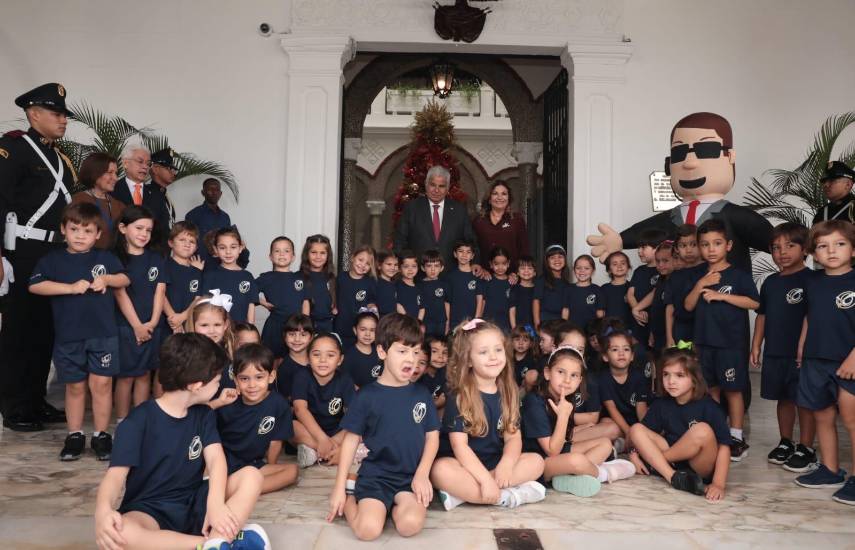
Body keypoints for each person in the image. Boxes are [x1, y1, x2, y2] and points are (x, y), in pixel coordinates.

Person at [93, 333, 269, 550]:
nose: (219, 386)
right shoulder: (137, 421)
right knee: (122, 533)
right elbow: (114, 477)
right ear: (196, 385)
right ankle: (214, 544)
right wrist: (103, 512)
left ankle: (217, 540)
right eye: (216, 382)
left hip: (195, 501)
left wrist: (215, 505)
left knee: (252, 476)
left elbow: (216, 461)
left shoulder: (203, 414)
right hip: (150, 511)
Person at [588, 112, 773, 274]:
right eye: (679, 152)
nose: (689, 163)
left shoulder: (736, 216)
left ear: (730, 157)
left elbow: (776, 242)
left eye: (705, 150)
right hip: (680, 299)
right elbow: (650, 231)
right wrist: (621, 240)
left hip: (725, 303)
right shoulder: (673, 216)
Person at [0, 82, 77, 431]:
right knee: (18, 331)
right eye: (56, 114)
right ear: (34, 114)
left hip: (53, 252)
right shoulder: (12, 148)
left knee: (44, 330)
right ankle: (15, 406)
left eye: (64, 115)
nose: (63, 121)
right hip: (21, 251)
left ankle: (35, 399)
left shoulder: (59, 157)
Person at [29, 203, 130, 460]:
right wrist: (70, 287)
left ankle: (100, 435)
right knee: (74, 387)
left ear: (98, 234)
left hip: (103, 334)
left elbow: (124, 279)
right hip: (69, 336)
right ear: (64, 230)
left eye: (87, 231)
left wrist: (106, 279)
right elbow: (36, 286)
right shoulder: (52, 260)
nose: (80, 235)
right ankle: (75, 436)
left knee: (102, 384)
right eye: (74, 229)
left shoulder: (105, 258)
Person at [328, 313, 440, 541]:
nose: (411, 359)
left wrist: (422, 474)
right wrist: (339, 488)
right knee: (368, 531)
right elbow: (350, 440)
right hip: (376, 477)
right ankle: (352, 500)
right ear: (382, 352)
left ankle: (389, 507)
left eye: (415, 352)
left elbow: (432, 437)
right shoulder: (367, 396)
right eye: (402, 351)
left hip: (409, 477)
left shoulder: (422, 394)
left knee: (409, 526)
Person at [430, 319, 546, 511]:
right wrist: (484, 479)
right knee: (439, 470)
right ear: (468, 360)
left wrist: (506, 465)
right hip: (463, 464)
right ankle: (506, 496)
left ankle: (468, 495)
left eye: (498, 350)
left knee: (537, 462)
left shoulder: (510, 392)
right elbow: (460, 447)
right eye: (483, 352)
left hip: (496, 461)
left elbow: (513, 439)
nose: (493, 357)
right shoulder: (459, 396)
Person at [685, 219, 759, 462]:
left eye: (717, 243)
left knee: (733, 390)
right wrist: (701, 285)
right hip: (704, 343)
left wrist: (722, 296)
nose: (711, 249)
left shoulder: (738, 275)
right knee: (711, 389)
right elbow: (687, 306)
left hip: (730, 344)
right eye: (705, 244)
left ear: (728, 245)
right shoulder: (697, 275)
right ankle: (718, 432)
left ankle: (736, 436)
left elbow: (755, 303)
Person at [793, 220, 855, 505]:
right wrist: (803, 346)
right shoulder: (812, 281)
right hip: (816, 360)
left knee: (851, 419)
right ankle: (830, 469)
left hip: (849, 361)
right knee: (822, 415)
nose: (831, 251)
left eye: (839, 244)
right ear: (814, 253)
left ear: (853, 249)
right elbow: (810, 316)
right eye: (823, 246)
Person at [522, 345, 635, 497]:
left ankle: (567, 477)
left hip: (558, 453)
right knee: (576, 460)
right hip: (538, 463)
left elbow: (565, 440)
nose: (567, 380)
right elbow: (552, 451)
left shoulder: (566, 399)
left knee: (605, 444)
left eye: (574, 375)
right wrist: (563, 416)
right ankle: (603, 473)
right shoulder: (534, 401)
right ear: (548, 373)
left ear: (580, 380)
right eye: (561, 372)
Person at [750, 223, 816, 470]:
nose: (782, 252)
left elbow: (815, 316)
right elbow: (762, 316)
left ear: (805, 248)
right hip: (775, 351)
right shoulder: (770, 282)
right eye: (776, 247)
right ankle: (786, 441)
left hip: (803, 354)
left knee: (804, 400)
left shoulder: (813, 279)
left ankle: (807, 447)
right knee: (783, 399)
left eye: (790, 245)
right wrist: (756, 345)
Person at [628, 348, 731, 501]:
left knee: (702, 430)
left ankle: (656, 462)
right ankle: (673, 478)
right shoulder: (661, 405)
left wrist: (718, 484)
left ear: (694, 379)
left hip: (699, 465)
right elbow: (641, 435)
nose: (671, 381)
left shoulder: (710, 407)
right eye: (665, 374)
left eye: (679, 375)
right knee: (635, 429)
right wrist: (633, 454)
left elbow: (724, 447)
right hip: (674, 464)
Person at [209, 343, 299, 495]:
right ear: (236, 380)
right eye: (244, 378)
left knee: (292, 471)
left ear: (271, 377)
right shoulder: (227, 401)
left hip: (252, 464)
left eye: (259, 377)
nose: (252, 385)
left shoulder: (279, 404)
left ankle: (240, 490)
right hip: (223, 464)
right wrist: (218, 403)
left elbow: (276, 441)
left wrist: (270, 466)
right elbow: (196, 418)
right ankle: (227, 489)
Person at [113, 207, 168, 423]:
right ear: (123, 228)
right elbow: (120, 293)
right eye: (138, 228)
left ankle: (140, 421)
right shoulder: (115, 258)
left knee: (145, 374)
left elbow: (160, 291)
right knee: (126, 377)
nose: (144, 234)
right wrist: (137, 326)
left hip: (153, 325)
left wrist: (153, 323)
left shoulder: (156, 258)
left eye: (148, 230)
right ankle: (122, 422)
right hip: (126, 326)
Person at [394, 165, 483, 274]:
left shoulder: (459, 210)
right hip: (419, 275)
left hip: (451, 275)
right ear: (426, 185)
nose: (436, 190)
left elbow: (471, 240)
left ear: (447, 188)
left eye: (441, 186)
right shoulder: (412, 208)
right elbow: (400, 241)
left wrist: (475, 262)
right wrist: (405, 266)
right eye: (433, 185)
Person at [291, 333, 357, 468]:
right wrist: (321, 439)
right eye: (316, 354)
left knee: (357, 426)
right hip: (309, 431)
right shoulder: (301, 376)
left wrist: (334, 440)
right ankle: (328, 451)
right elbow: (299, 409)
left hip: (336, 432)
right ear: (308, 358)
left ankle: (317, 452)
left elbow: (354, 414)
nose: (323, 360)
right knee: (290, 425)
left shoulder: (345, 379)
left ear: (340, 360)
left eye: (330, 355)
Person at [111, 144, 171, 252]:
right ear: (125, 163)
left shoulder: (156, 195)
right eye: (140, 161)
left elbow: (164, 231)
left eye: (148, 164)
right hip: (120, 255)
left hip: (151, 256)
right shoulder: (112, 190)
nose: (145, 167)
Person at [597, 330, 650, 450]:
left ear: (632, 356)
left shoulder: (639, 377)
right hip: (616, 422)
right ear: (605, 357)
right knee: (605, 422)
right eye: (615, 350)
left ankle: (624, 444)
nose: (621, 353)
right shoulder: (603, 378)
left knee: (648, 423)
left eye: (626, 349)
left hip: (635, 422)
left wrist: (643, 431)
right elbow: (612, 409)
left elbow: (641, 408)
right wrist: (629, 433)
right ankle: (624, 443)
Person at [256, 236, 304, 356]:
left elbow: (305, 302)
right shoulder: (266, 277)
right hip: (274, 326)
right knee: (271, 359)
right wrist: (263, 302)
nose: (282, 254)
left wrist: (304, 323)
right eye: (277, 251)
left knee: (293, 358)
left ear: (293, 257)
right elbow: (247, 292)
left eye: (286, 251)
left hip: (295, 326)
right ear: (270, 256)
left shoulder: (299, 278)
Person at [202, 227, 257, 324]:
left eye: (233, 247)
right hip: (217, 332)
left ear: (240, 248)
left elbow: (250, 305)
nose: (228, 252)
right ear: (215, 249)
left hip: (241, 332)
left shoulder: (247, 276)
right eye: (222, 248)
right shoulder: (209, 275)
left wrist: (250, 329)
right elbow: (203, 305)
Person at [71, 152, 126, 249]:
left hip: (112, 261)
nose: (115, 178)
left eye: (116, 173)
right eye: (110, 172)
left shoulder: (119, 206)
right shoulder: (77, 201)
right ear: (95, 173)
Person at [471, 180, 530, 271]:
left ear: (509, 199)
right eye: (495, 193)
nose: (499, 197)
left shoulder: (517, 219)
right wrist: (478, 266)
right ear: (489, 199)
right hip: (485, 275)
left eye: (504, 194)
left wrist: (518, 273)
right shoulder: (479, 221)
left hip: (511, 276)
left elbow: (524, 250)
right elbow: (473, 248)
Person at [161, 222, 204, 335]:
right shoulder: (164, 265)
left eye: (192, 241)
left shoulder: (196, 271)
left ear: (196, 247)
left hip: (188, 324)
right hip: (167, 324)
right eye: (182, 240)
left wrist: (182, 317)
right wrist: (173, 318)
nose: (187, 244)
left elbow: (197, 299)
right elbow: (160, 294)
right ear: (171, 242)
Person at [626, 229, 666, 350]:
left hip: (656, 322)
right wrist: (636, 310)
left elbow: (656, 293)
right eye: (639, 247)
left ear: (657, 248)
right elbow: (630, 294)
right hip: (639, 322)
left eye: (643, 247)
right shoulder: (639, 271)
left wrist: (639, 308)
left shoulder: (663, 271)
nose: (639, 251)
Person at [334, 245, 377, 347]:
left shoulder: (370, 282)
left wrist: (373, 308)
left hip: (360, 331)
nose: (363, 265)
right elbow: (334, 295)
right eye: (360, 260)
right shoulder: (341, 277)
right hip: (340, 326)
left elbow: (372, 301)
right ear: (352, 257)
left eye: (367, 264)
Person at [185, 178, 232, 262]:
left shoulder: (225, 217)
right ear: (203, 192)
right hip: (200, 264)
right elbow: (188, 241)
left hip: (221, 264)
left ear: (220, 194)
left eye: (217, 190)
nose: (214, 192)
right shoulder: (193, 215)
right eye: (210, 189)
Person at [300, 234, 336, 333]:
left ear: (328, 255)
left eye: (322, 253)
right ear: (306, 254)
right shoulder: (298, 277)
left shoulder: (332, 278)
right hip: (305, 328)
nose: (318, 257)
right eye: (314, 252)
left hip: (328, 327)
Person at [274, 314, 313, 401]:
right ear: (284, 336)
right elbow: (289, 402)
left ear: (311, 337)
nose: (297, 339)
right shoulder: (285, 369)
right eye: (292, 334)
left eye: (303, 335)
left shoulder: (318, 360)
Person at [342, 310, 383, 388]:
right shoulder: (349, 356)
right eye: (363, 329)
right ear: (355, 330)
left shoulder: (379, 352)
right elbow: (346, 382)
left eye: (372, 330)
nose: (367, 334)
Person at [476, 247, 513, 332]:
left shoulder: (512, 282)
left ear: (508, 263)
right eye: (496, 264)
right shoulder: (486, 280)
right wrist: (478, 321)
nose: (500, 267)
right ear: (491, 264)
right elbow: (482, 303)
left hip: (506, 326)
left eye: (503, 264)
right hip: (487, 325)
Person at [533, 245, 571, 327]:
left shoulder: (566, 283)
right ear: (547, 261)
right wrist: (537, 324)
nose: (557, 260)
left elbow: (566, 308)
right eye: (552, 257)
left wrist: (564, 325)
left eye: (560, 257)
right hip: (545, 320)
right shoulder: (541, 280)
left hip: (560, 321)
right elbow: (536, 302)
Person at [148, 148, 178, 247]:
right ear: (156, 169)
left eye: (174, 170)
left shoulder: (165, 195)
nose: (173, 173)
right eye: (170, 169)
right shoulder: (147, 193)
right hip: (153, 250)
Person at [446, 240, 479, 328]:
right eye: (461, 251)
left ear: (472, 256)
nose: (464, 255)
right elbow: (447, 302)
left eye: (468, 252)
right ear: (455, 254)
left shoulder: (477, 275)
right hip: (454, 322)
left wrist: (476, 320)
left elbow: (481, 300)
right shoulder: (450, 277)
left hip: (473, 322)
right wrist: (448, 323)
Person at [565, 254, 605, 329]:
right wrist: (564, 327)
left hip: (591, 330)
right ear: (574, 270)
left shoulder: (597, 290)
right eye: (578, 268)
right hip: (572, 330)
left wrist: (599, 330)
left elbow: (600, 313)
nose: (582, 271)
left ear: (593, 271)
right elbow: (565, 310)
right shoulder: (568, 289)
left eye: (586, 268)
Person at [418, 249, 450, 337]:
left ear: (441, 268)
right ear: (423, 268)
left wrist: (448, 321)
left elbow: (446, 303)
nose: (433, 269)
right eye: (429, 266)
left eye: (436, 266)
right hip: (426, 323)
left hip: (441, 322)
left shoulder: (444, 284)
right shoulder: (419, 286)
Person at [812, 161, 854, 225]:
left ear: (848, 184)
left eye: (832, 180)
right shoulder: (822, 212)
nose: (826, 185)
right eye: (824, 181)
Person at [601, 251, 632, 328]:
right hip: (608, 329)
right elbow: (601, 312)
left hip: (628, 329)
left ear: (628, 267)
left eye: (623, 263)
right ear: (609, 269)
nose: (619, 266)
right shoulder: (603, 289)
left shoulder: (632, 287)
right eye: (615, 264)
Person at [509, 255, 536, 329]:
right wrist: (514, 329)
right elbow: (512, 311)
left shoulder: (537, 289)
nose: (526, 271)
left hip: (535, 328)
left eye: (530, 268)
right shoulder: (515, 289)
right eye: (522, 268)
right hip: (519, 328)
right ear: (517, 272)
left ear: (534, 272)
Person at [395, 250, 424, 320]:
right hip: (402, 323)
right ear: (399, 268)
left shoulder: (419, 287)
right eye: (406, 266)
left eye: (414, 266)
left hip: (415, 325)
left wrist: (418, 322)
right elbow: (397, 304)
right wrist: (408, 321)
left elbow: (422, 308)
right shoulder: (397, 285)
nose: (410, 269)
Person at [375, 251, 399, 317]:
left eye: (395, 265)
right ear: (379, 266)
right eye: (389, 264)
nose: (393, 268)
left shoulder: (396, 284)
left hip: (393, 320)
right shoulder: (375, 283)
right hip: (380, 320)